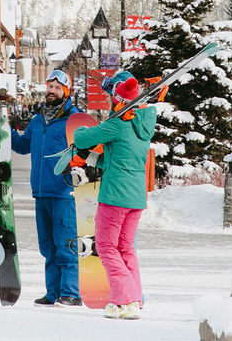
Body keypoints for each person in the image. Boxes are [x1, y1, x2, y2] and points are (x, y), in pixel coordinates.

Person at [70, 69, 156, 320]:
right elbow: (116, 157)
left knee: (107, 246)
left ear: (118, 101)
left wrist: (81, 138)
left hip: (115, 196)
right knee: (126, 247)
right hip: (136, 197)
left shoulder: (118, 124)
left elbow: (83, 137)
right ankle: (134, 299)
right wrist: (93, 159)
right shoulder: (143, 124)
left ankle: (123, 300)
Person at [10, 69, 81, 307]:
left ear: (66, 92)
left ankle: (71, 292)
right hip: (41, 192)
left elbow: (88, 151)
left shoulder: (74, 119)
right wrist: (4, 130)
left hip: (64, 192)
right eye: (49, 86)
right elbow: (22, 146)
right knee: (48, 247)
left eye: (57, 87)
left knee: (66, 244)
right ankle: (53, 293)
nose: (51, 91)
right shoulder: (38, 119)